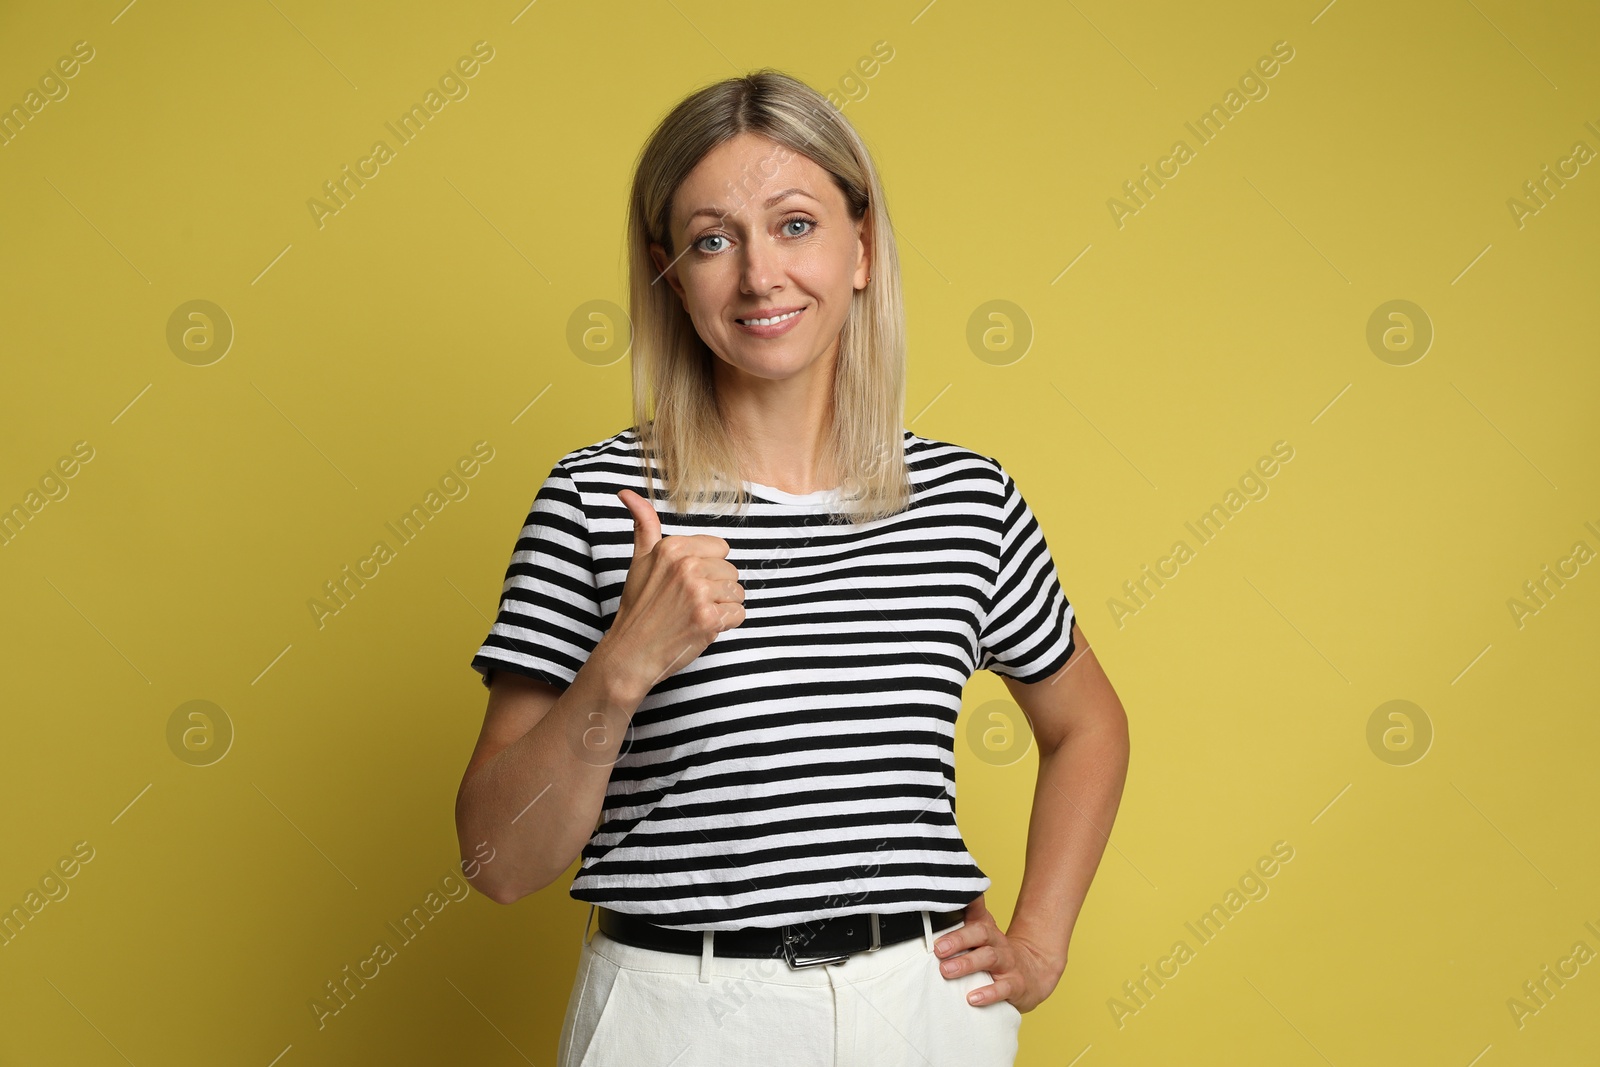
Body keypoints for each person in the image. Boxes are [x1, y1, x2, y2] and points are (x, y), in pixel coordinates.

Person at [454, 69, 1130, 1067]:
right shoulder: (599, 502)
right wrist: (624, 662)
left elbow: (1088, 723)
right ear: (670, 275)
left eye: (796, 224)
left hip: (922, 1009)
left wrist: (1038, 939)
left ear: (862, 247)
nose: (761, 275)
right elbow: (496, 861)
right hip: (676, 1015)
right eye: (714, 239)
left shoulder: (966, 500)